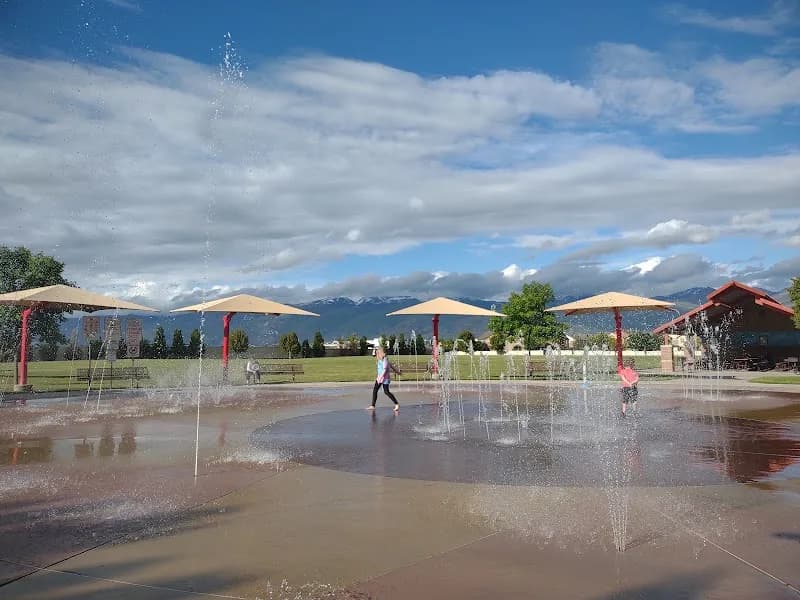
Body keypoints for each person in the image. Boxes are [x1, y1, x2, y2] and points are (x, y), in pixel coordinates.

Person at [368, 347, 401, 411]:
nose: (377, 355)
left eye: (378, 353)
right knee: (375, 390)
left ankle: (396, 404)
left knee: (386, 392)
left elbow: (385, 370)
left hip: (385, 378)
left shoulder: (385, 360)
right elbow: (391, 366)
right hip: (380, 378)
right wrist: (397, 372)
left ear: (381, 354)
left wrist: (380, 378)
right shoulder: (380, 359)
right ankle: (372, 405)